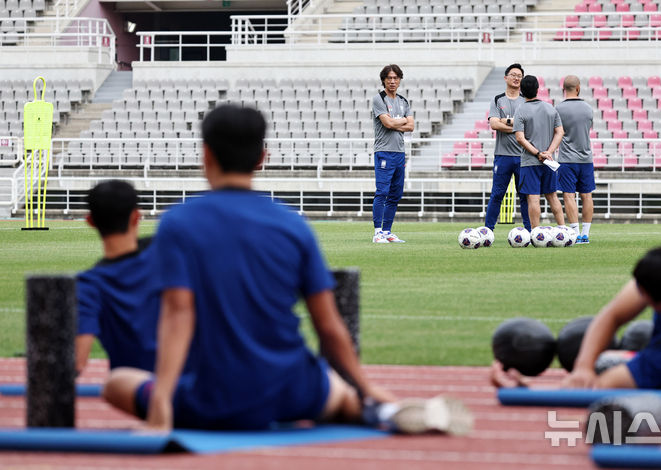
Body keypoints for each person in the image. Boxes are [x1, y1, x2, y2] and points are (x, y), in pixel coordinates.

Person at [101, 105, 472, 435]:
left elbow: (177, 313)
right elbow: (328, 326)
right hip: (292, 387)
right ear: (262, 157)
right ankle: (382, 409)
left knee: (117, 382)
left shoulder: (178, 224)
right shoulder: (292, 225)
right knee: (339, 394)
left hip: (215, 396)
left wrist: (161, 402)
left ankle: (176, 403)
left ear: (206, 155)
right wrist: (366, 385)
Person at [492, 246, 661, 391]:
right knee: (608, 360)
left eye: (643, 295)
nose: (636, 295)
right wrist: (582, 367)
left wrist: (525, 388)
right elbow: (613, 314)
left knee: (613, 370)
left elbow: (598, 388)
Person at [75, 180, 159, 375]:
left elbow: (77, 361)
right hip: (197, 377)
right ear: (136, 216)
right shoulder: (169, 252)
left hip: (140, 386)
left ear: (90, 221)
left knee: (113, 386)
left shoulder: (88, 286)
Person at [513, 75, 566, 229]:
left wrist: (538, 154)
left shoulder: (521, 110)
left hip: (530, 162)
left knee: (533, 198)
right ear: (537, 89)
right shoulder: (550, 108)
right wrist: (548, 152)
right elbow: (560, 132)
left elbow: (520, 138)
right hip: (549, 162)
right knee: (553, 196)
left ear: (521, 91)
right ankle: (563, 229)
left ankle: (536, 233)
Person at [485, 63, 531, 232]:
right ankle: (488, 230)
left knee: (525, 196)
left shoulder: (526, 100)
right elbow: (494, 124)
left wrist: (506, 121)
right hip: (502, 155)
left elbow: (529, 127)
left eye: (519, 75)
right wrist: (516, 125)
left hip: (523, 156)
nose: (516, 78)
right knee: (497, 194)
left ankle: (530, 231)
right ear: (506, 78)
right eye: (513, 74)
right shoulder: (498, 99)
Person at [371, 64, 414, 244]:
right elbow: (387, 124)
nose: (392, 81)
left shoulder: (403, 101)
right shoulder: (378, 99)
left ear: (399, 80)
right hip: (384, 152)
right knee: (382, 192)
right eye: (389, 78)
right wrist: (400, 121)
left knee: (396, 194)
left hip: (399, 153)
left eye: (395, 78)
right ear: (384, 80)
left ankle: (387, 231)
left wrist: (396, 121)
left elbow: (411, 126)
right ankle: (377, 232)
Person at [556, 76, 595, 244]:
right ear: (578, 88)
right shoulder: (588, 108)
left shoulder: (558, 109)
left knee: (568, 195)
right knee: (587, 195)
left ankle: (574, 232)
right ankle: (585, 234)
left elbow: (556, 132)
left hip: (566, 159)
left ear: (563, 88)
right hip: (586, 158)